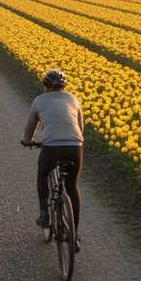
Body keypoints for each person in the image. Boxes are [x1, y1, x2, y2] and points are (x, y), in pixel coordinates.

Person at [20, 68, 84, 251]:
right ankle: (74, 235)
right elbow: (80, 127)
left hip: (52, 147)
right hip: (75, 146)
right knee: (71, 186)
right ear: (64, 86)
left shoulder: (39, 100)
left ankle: (45, 214)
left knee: (42, 174)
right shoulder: (74, 99)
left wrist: (27, 141)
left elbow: (30, 127)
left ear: (45, 85)